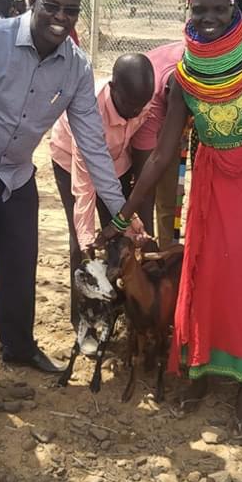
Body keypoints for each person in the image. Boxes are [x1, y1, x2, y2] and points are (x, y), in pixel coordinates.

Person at [99, 0, 242, 435]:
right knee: (205, 276)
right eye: (199, 8)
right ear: (187, 9)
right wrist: (122, 215)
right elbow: (160, 155)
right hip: (210, 186)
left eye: (218, 7)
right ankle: (202, 371)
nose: (208, 17)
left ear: (234, 6)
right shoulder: (185, 78)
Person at [0, 0, 127, 410]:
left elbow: (93, 143)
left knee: (19, 270)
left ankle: (19, 348)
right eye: (52, 6)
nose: (60, 17)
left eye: (71, 10)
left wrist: (119, 211)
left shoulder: (76, 67)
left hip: (17, 176)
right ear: (32, 3)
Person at [50, 53, 155, 351]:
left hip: (117, 164)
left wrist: (130, 221)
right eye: (130, 106)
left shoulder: (142, 100)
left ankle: (113, 309)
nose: (136, 113)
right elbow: (85, 189)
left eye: (142, 106)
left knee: (118, 239)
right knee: (81, 244)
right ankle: (83, 322)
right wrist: (86, 240)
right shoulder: (90, 111)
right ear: (113, 88)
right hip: (72, 161)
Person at [130, 42, 184, 246]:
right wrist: (148, 244)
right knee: (149, 186)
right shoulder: (149, 105)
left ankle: (168, 250)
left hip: (178, 123)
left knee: (171, 194)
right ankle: (149, 249)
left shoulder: (198, 70)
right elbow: (146, 173)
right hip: (147, 124)